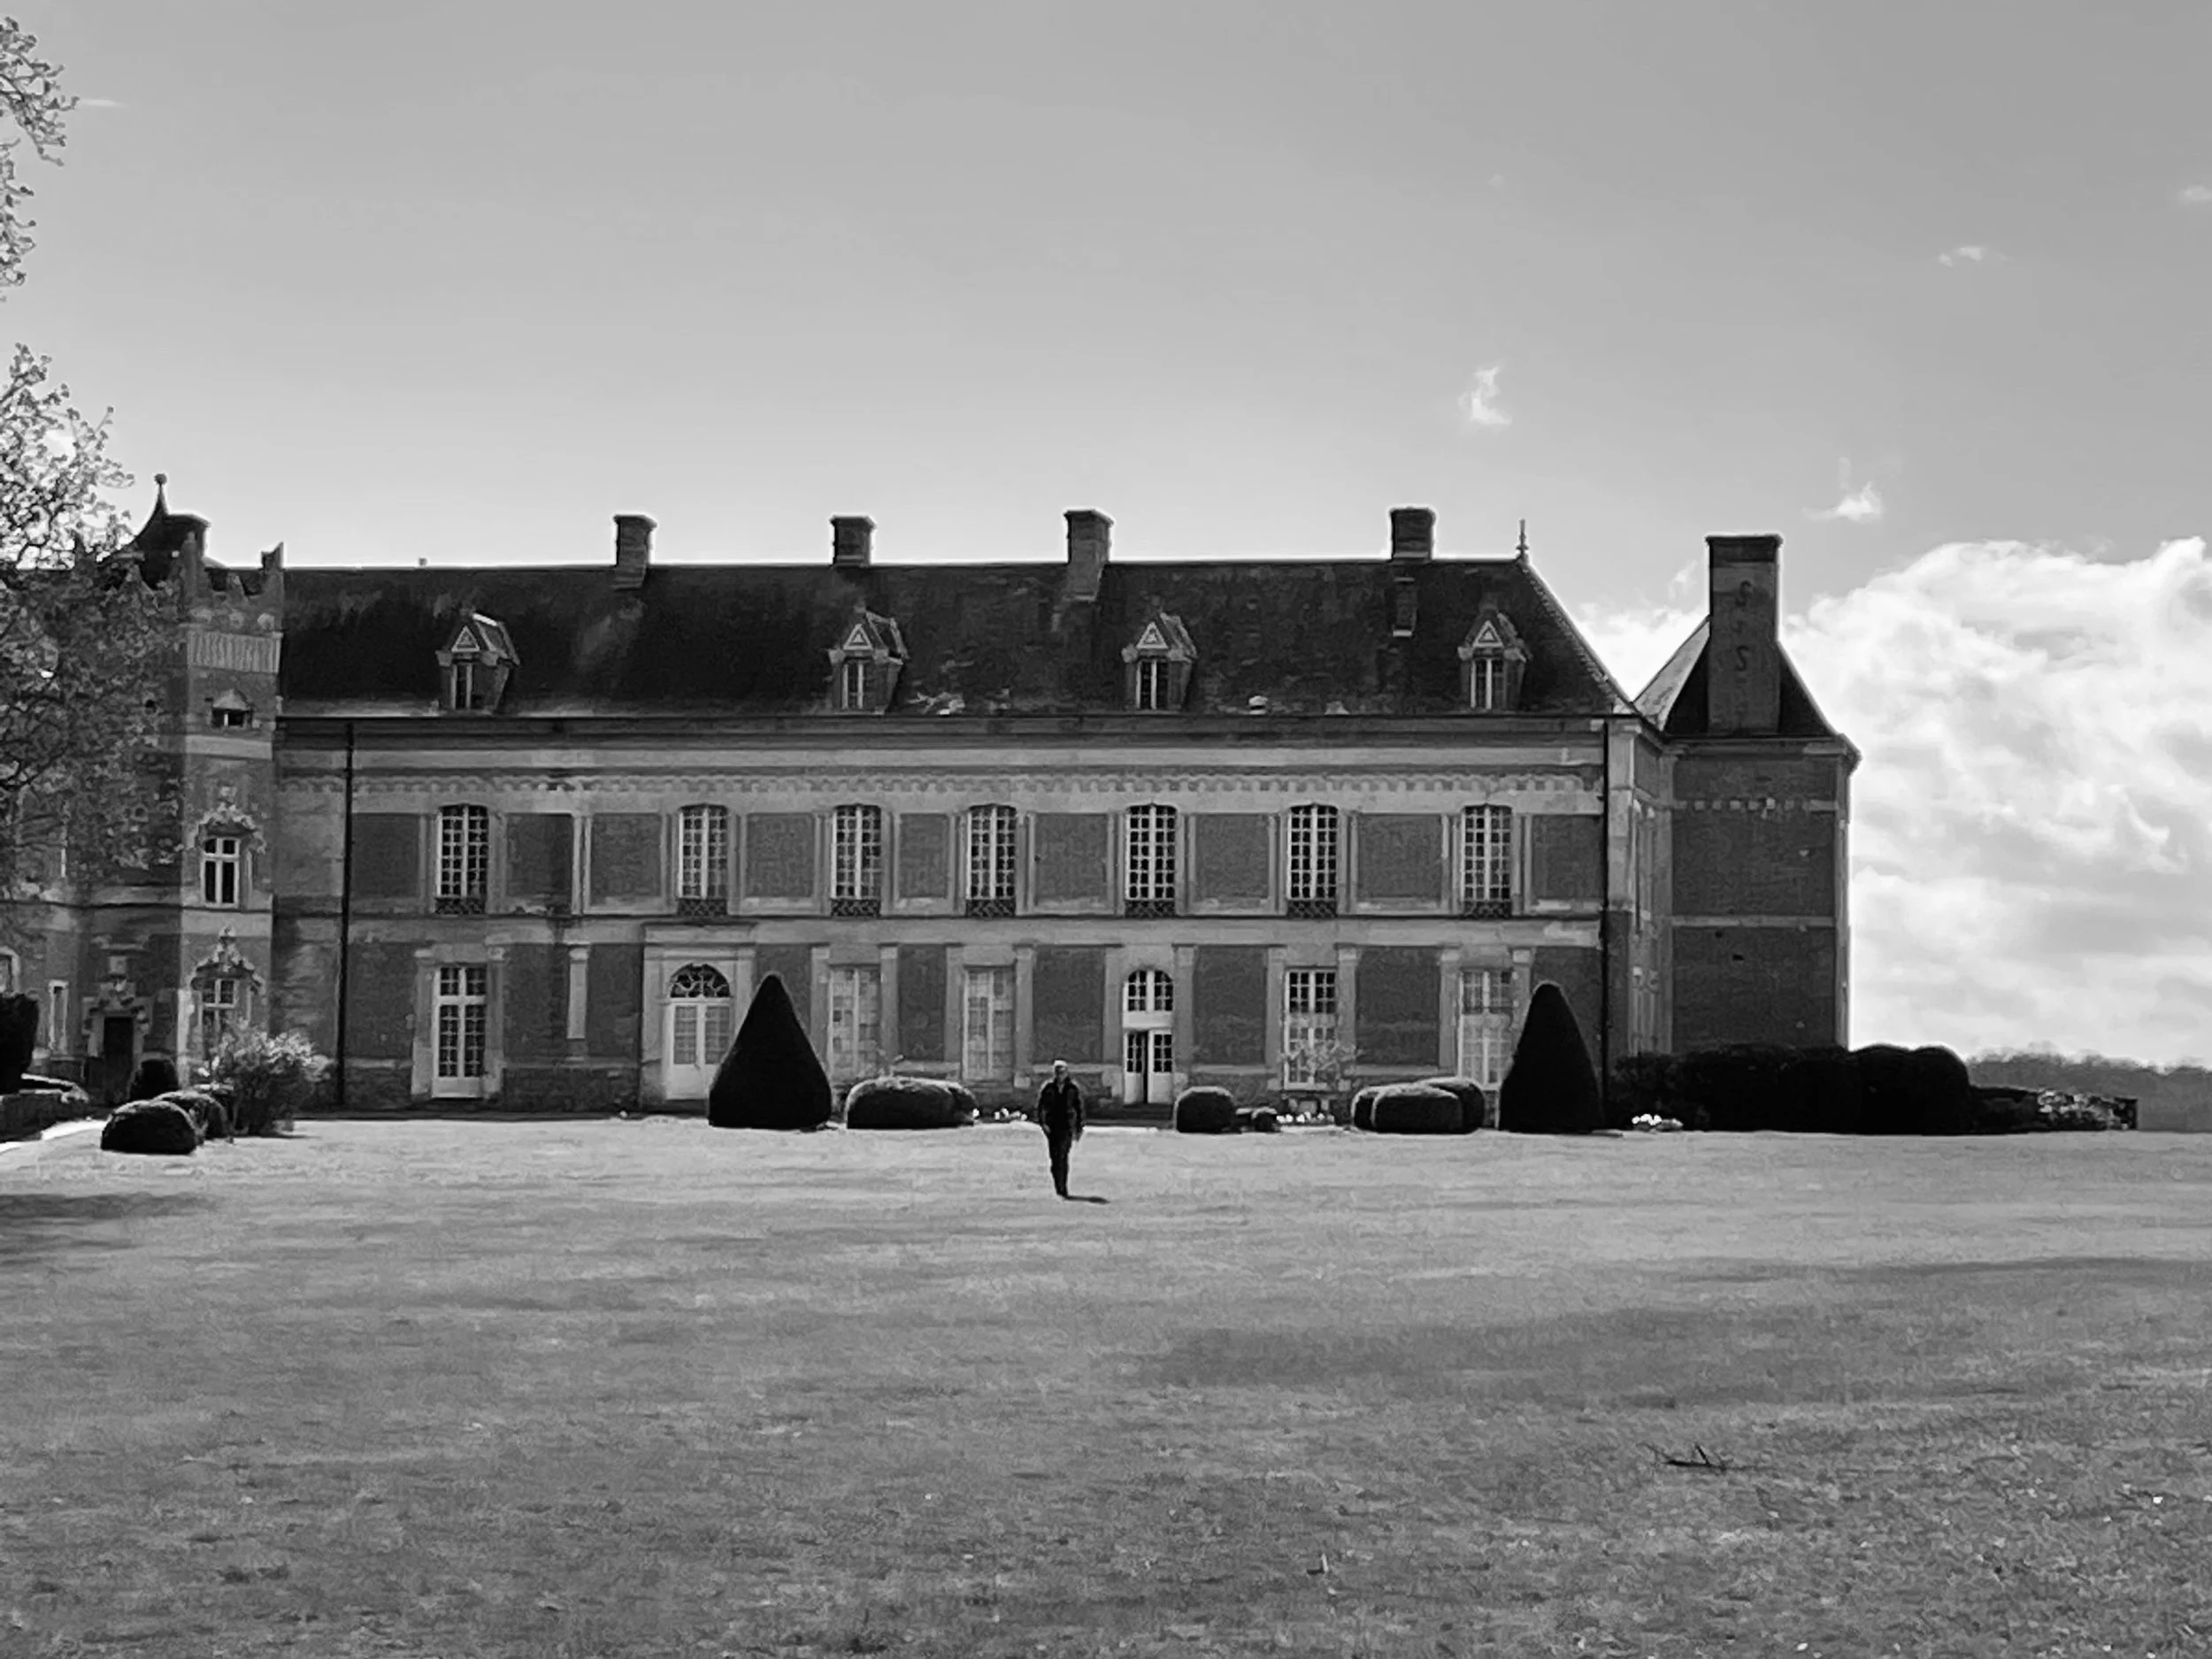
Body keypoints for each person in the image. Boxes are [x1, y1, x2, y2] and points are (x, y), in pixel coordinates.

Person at [1034, 1059, 1087, 1199]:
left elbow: (1079, 1108)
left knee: (1063, 1157)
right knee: (1054, 1158)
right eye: (1058, 1072)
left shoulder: (1072, 1088)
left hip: (1067, 1126)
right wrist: (1043, 1123)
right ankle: (1058, 1185)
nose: (1060, 1075)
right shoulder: (1049, 1087)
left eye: (1062, 1072)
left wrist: (1079, 1127)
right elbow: (1041, 1107)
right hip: (1052, 1126)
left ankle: (1063, 1188)